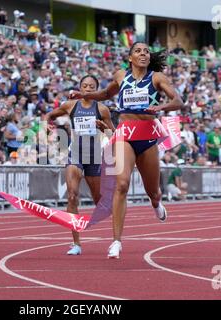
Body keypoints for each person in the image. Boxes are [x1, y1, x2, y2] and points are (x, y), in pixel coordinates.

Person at [70, 42, 183, 258]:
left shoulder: (157, 77)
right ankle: (116, 242)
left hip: (148, 134)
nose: (143, 54)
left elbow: (178, 101)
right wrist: (83, 96)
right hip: (125, 133)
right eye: (138, 51)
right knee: (121, 184)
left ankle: (156, 203)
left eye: (146, 51)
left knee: (154, 192)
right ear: (130, 57)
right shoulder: (121, 75)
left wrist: (160, 108)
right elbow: (105, 93)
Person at [45, 75, 114, 256]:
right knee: (72, 196)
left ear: (97, 90)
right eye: (85, 86)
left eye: (92, 86)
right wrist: (47, 124)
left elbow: (113, 134)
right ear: (80, 88)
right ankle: (76, 243)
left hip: (94, 158)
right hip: (75, 155)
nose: (88, 89)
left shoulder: (102, 109)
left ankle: (116, 235)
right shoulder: (71, 106)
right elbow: (50, 115)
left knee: (99, 202)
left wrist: (102, 128)